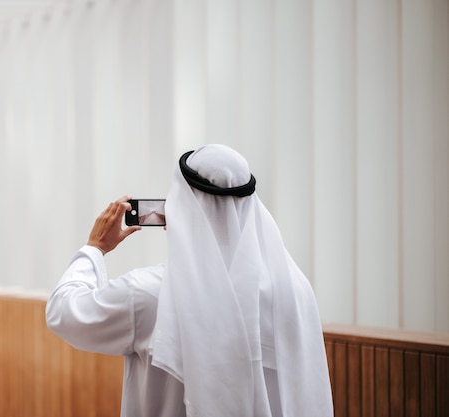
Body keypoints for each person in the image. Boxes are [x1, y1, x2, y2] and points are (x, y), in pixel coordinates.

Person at [45, 144, 333, 417]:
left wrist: (94, 248)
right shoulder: (295, 292)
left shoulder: (149, 293)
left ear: (181, 206)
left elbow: (64, 313)